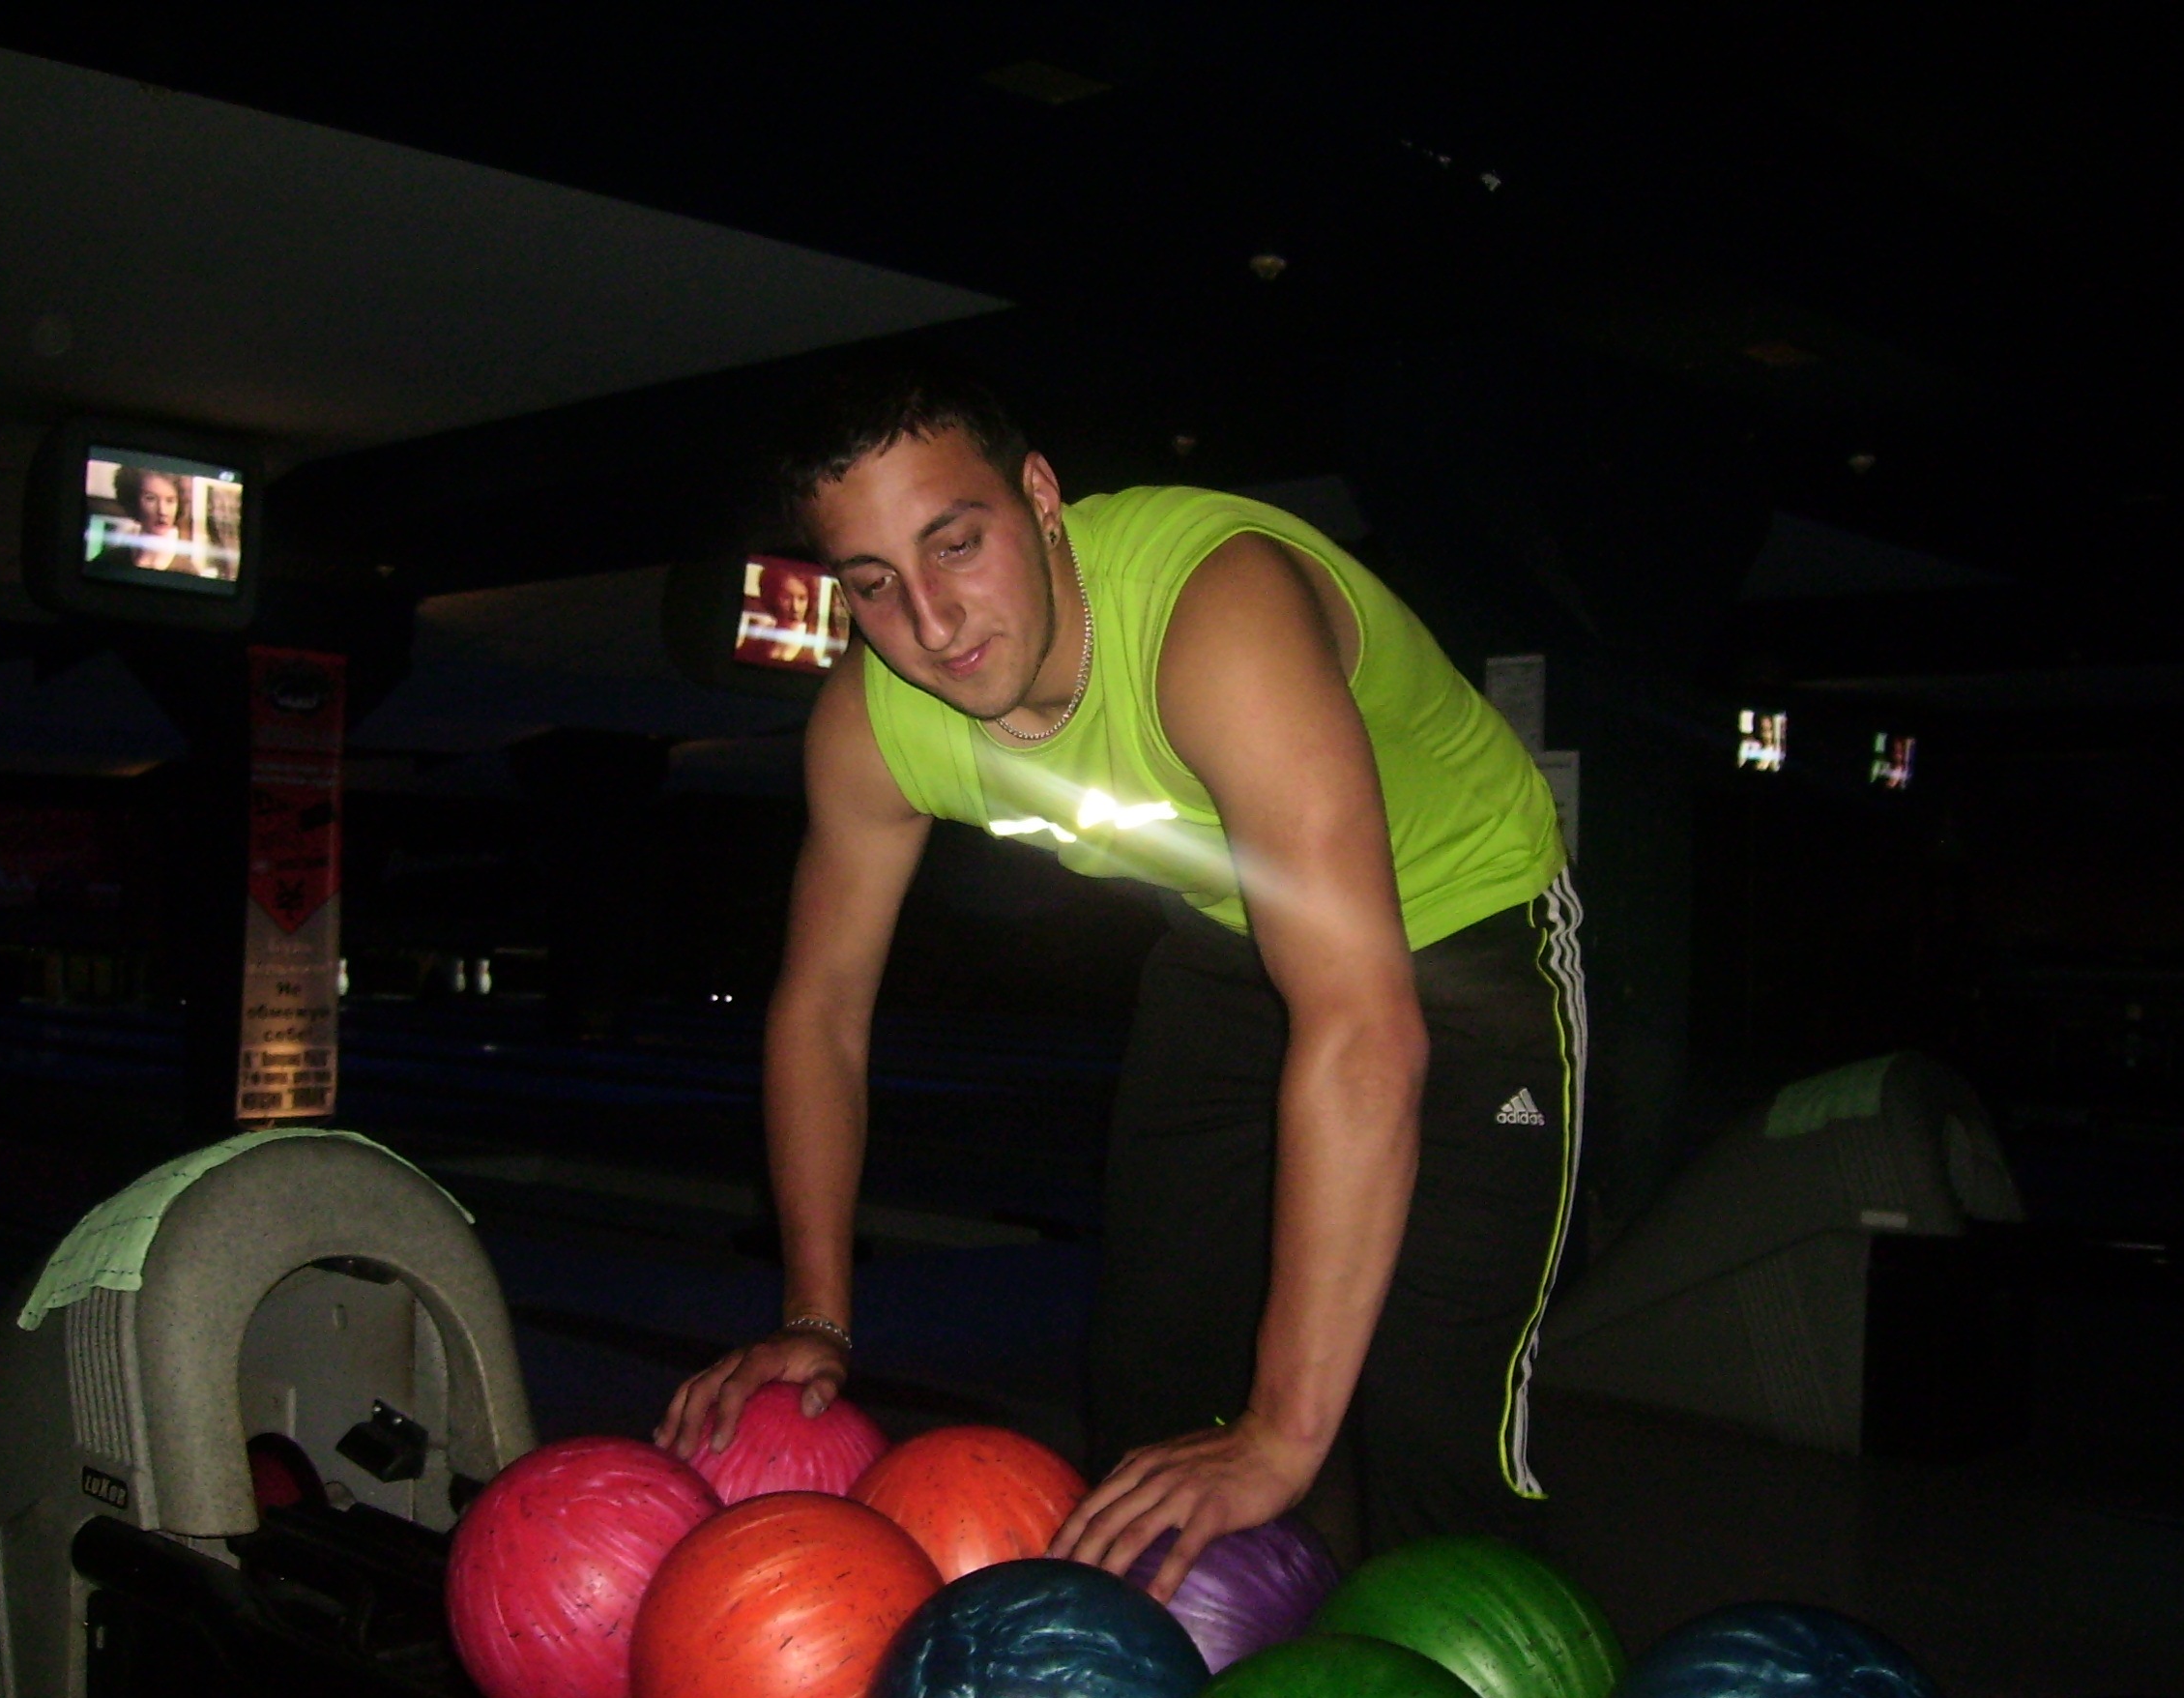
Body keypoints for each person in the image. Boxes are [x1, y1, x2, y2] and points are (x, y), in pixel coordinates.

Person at [657, 367, 1583, 1599]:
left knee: (1432, 1416)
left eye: (955, 543)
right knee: (1149, 1384)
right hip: (1226, 938)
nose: (931, 621)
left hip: (1470, 932)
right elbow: (822, 1010)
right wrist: (816, 1317)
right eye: (872, 582)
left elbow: (1361, 1024)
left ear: (1040, 496)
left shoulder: (1214, 619)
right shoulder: (876, 723)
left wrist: (1282, 1434)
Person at [105, 464, 192, 573]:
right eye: (151, 499)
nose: (162, 511)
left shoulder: (187, 571)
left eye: (170, 501)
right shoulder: (110, 562)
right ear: (134, 502)